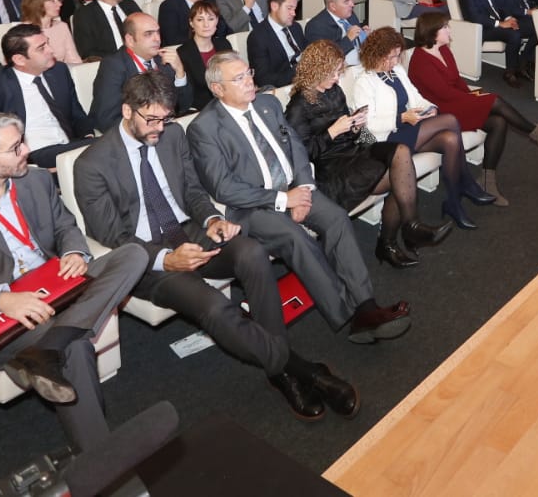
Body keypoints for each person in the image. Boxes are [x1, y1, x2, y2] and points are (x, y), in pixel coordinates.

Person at [75, 73, 357, 420]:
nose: (159, 129)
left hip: (191, 231)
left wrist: (211, 221)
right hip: (146, 258)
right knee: (213, 306)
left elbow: (193, 192)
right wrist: (167, 258)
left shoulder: (172, 134)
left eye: (165, 119)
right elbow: (115, 236)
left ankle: (278, 365)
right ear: (126, 111)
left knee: (252, 252)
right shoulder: (91, 164)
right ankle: (301, 371)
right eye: (151, 120)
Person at [0, 113, 147, 453]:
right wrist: (2, 300)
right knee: (75, 347)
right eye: (16, 147)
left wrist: (75, 251)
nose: (27, 150)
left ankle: (44, 351)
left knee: (134, 255)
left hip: (60, 285)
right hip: (11, 317)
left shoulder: (35, 181)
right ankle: (102, 463)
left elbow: (66, 227)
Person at [187, 52, 411, 344]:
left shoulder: (267, 104)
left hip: (294, 188)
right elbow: (224, 188)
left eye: (249, 72)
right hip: (249, 206)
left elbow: (295, 149)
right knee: (294, 238)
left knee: (336, 218)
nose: (249, 81)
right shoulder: (204, 128)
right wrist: (284, 201)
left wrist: (303, 189)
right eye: (239, 78)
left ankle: (366, 304)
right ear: (217, 89)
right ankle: (349, 315)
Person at [284, 40, 452, 268]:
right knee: (398, 173)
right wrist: (333, 132)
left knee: (399, 154)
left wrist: (358, 128)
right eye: (334, 72)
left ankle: (404, 231)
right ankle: (393, 241)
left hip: (354, 151)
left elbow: (351, 132)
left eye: (339, 71)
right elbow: (301, 153)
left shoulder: (334, 91)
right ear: (318, 70)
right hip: (333, 169)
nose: (337, 76)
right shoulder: (298, 107)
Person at [407, 12, 538, 205]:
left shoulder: (443, 50)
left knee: (498, 122)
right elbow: (444, 94)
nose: (449, 30)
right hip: (440, 113)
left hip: (455, 103)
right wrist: (475, 99)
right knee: (494, 99)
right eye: (445, 27)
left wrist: (471, 95)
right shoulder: (420, 60)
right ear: (433, 32)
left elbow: (457, 80)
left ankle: (487, 182)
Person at [350, 27, 494, 228]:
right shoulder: (364, 82)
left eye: (398, 56)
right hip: (387, 139)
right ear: (377, 55)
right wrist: (401, 118)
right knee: (450, 121)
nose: (395, 61)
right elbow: (369, 124)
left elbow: (416, 96)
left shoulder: (397, 70)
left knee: (450, 139)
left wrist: (430, 108)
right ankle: (466, 184)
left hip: (408, 128)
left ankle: (454, 202)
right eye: (391, 57)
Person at [0, 24, 96, 166]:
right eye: (41, 48)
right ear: (19, 60)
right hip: (32, 155)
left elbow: (76, 112)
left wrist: (88, 136)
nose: (51, 50)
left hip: (70, 145)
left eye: (47, 43)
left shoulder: (58, 71)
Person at [88, 13, 191, 131]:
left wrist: (180, 72)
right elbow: (107, 118)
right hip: (135, 132)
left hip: (166, 126)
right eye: (148, 34)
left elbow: (184, 106)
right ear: (130, 40)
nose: (157, 39)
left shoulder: (163, 59)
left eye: (158, 32)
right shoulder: (113, 66)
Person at [457, 0, 534, 87]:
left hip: (497, 22)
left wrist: (509, 18)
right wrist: (500, 24)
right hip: (482, 28)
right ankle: (510, 72)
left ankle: (523, 62)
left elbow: (500, 5)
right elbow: (474, 17)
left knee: (535, 26)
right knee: (513, 35)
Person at [72, 0, 141, 59]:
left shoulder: (130, 6)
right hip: (111, 64)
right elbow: (88, 52)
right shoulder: (85, 15)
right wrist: (122, 59)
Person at [246, 0, 306, 89]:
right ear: (274, 6)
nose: (294, 13)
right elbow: (262, 79)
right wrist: (300, 72)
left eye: (294, 9)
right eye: (289, 8)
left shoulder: (295, 27)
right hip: (285, 87)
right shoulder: (258, 37)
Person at [176, 0, 231, 103]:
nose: (206, 25)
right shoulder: (183, 53)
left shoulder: (224, 44)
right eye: (200, 20)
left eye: (211, 19)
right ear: (191, 23)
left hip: (229, 99)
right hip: (203, 106)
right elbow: (188, 93)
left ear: (217, 21)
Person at [22, 0, 82, 65]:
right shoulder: (23, 32)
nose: (60, 4)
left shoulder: (62, 26)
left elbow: (74, 60)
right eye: (53, 1)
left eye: (59, 0)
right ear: (37, 4)